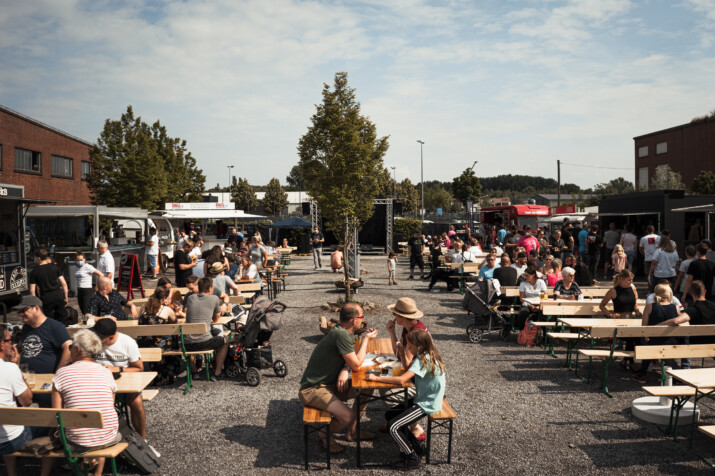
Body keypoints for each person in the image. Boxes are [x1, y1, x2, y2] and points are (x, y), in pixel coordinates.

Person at [299, 303, 378, 454]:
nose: (363, 320)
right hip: (313, 389)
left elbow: (349, 357)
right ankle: (324, 433)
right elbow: (356, 364)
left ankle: (353, 432)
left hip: (329, 385)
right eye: (362, 317)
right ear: (354, 320)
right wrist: (367, 339)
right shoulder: (342, 334)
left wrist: (344, 368)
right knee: (347, 417)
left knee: (367, 388)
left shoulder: (341, 330)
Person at [366, 329, 445, 470]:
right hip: (427, 398)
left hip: (427, 404)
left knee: (393, 427)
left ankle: (412, 456)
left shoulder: (421, 360)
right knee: (390, 414)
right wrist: (402, 352)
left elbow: (402, 380)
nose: (408, 348)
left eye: (410, 346)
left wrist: (376, 378)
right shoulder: (428, 355)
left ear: (419, 347)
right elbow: (409, 371)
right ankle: (416, 444)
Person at [51, 330, 120, 476]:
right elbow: (109, 407)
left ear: (76, 350)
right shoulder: (106, 372)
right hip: (108, 436)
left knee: (79, 430)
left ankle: (83, 468)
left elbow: (55, 414)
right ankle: (97, 473)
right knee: (100, 426)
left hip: (77, 441)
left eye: (71, 348)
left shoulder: (62, 374)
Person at [383, 298, 430, 440]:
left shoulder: (415, 334)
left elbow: (406, 363)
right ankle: (397, 422)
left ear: (403, 317)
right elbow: (399, 356)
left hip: (421, 382)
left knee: (388, 394)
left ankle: (412, 427)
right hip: (416, 375)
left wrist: (400, 352)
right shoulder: (409, 328)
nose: (394, 318)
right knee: (383, 385)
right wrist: (392, 332)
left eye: (395, 315)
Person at [92, 318, 147, 440]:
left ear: (111, 337)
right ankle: (98, 438)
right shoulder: (91, 342)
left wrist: (117, 369)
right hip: (98, 384)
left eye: (100, 338)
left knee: (137, 402)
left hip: (123, 383)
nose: (96, 339)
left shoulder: (127, 342)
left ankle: (143, 440)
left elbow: (139, 368)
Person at [632, 284, 688, 383]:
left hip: (654, 342)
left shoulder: (649, 307)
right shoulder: (676, 308)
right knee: (650, 345)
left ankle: (642, 374)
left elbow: (644, 327)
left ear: (655, 294)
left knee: (646, 343)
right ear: (669, 294)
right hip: (671, 342)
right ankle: (678, 375)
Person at [0, 324, 33, 476]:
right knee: (47, 426)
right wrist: (16, 366)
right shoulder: (9, 369)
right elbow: (27, 401)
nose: (11, 344)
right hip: (9, 441)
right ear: (1, 345)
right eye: (9, 340)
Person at [184, 278, 230, 381]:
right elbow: (216, 318)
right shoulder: (214, 298)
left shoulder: (190, 298)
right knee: (225, 340)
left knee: (188, 341)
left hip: (187, 344)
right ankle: (217, 372)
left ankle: (195, 371)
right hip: (205, 342)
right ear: (210, 289)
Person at [15, 295, 72, 375]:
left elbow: (69, 348)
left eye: (24, 310)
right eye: (19, 312)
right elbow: (23, 345)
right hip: (25, 377)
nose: (21, 314)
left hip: (45, 380)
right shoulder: (26, 327)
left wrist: (58, 375)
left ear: (36, 308)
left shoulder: (55, 327)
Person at [599, 270, 641, 369]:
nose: (631, 282)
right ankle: (631, 362)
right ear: (621, 279)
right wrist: (610, 314)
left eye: (631, 280)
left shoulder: (632, 289)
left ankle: (625, 360)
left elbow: (635, 302)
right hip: (619, 321)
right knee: (632, 337)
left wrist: (637, 310)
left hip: (631, 320)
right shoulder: (613, 291)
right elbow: (602, 305)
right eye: (629, 280)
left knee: (638, 337)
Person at [29, 249, 69, 325]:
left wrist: (34, 303)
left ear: (38, 258)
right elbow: (64, 283)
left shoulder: (34, 272)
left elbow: (32, 290)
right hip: (58, 295)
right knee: (62, 317)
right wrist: (66, 297)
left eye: (35, 257)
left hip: (46, 297)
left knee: (48, 319)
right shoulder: (55, 267)